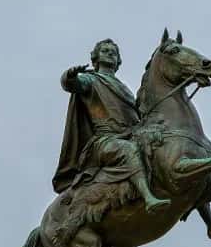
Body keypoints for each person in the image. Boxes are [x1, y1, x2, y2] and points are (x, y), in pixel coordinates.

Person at [52, 38, 170, 213]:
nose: (110, 53)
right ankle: (148, 197)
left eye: (113, 52)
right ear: (96, 58)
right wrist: (69, 76)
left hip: (130, 134)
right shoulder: (90, 80)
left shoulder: (125, 88)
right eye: (105, 51)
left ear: (118, 61)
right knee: (129, 150)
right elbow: (72, 84)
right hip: (104, 141)